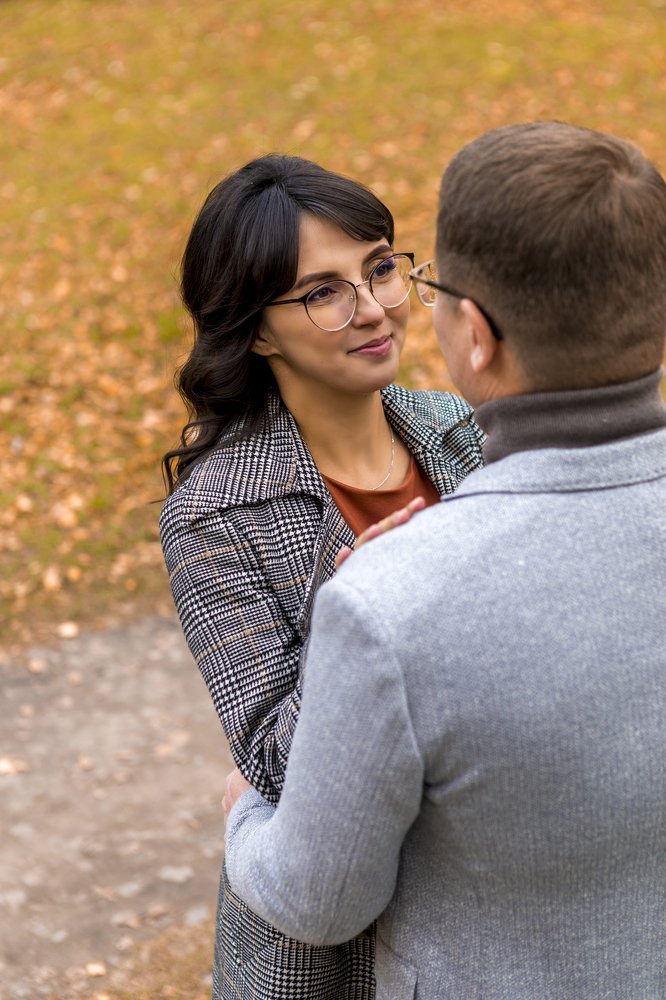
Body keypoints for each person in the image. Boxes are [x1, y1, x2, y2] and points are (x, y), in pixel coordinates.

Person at [222, 123, 666, 999]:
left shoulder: (391, 602)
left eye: (400, 275)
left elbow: (316, 899)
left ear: (475, 333)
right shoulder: (232, 507)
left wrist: (239, 821)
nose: (382, 306)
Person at [159, 154, 485, 1000]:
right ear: (258, 328)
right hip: (328, 955)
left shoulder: (457, 432)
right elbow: (272, 759)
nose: (375, 308)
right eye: (324, 292)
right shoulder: (215, 514)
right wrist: (364, 605)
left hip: (480, 901)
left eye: (380, 267)